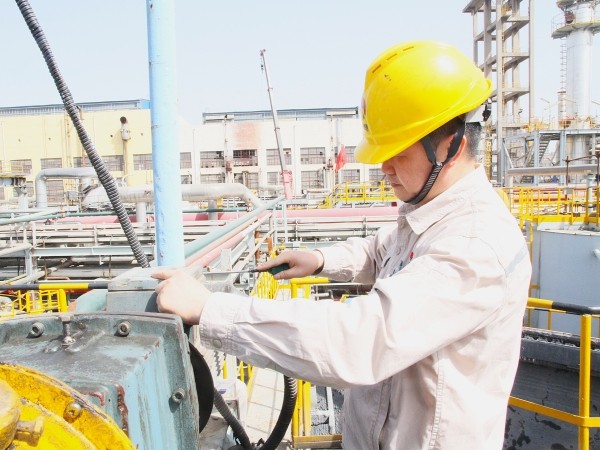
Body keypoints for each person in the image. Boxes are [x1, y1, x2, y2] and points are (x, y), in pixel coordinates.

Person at [152, 40, 532, 450]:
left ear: (451, 145)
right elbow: (380, 251)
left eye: (397, 152)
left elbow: (359, 341)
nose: (384, 167)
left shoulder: (475, 245)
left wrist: (210, 309)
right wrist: (318, 260)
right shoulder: (431, 213)